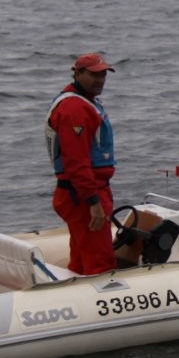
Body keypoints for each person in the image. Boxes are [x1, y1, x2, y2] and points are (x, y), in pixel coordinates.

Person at [44, 53, 118, 275]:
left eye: (103, 74)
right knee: (100, 260)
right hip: (83, 195)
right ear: (77, 73)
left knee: (80, 255)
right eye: (94, 74)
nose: (100, 80)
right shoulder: (75, 109)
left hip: (82, 192)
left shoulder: (82, 102)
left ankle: (75, 288)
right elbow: (76, 162)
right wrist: (93, 201)